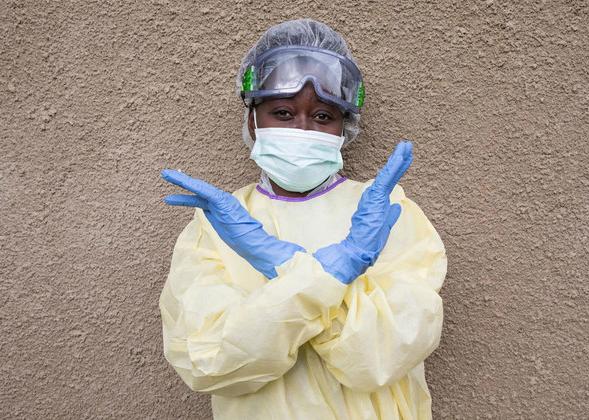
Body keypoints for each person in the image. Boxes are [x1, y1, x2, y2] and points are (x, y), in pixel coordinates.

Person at [159, 18, 447, 420]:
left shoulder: (385, 211)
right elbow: (209, 362)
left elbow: (381, 356)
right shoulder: (218, 224)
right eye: (282, 112)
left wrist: (285, 275)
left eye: (323, 117)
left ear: (344, 128)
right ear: (252, 120)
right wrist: (327, 276)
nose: (302, 128)